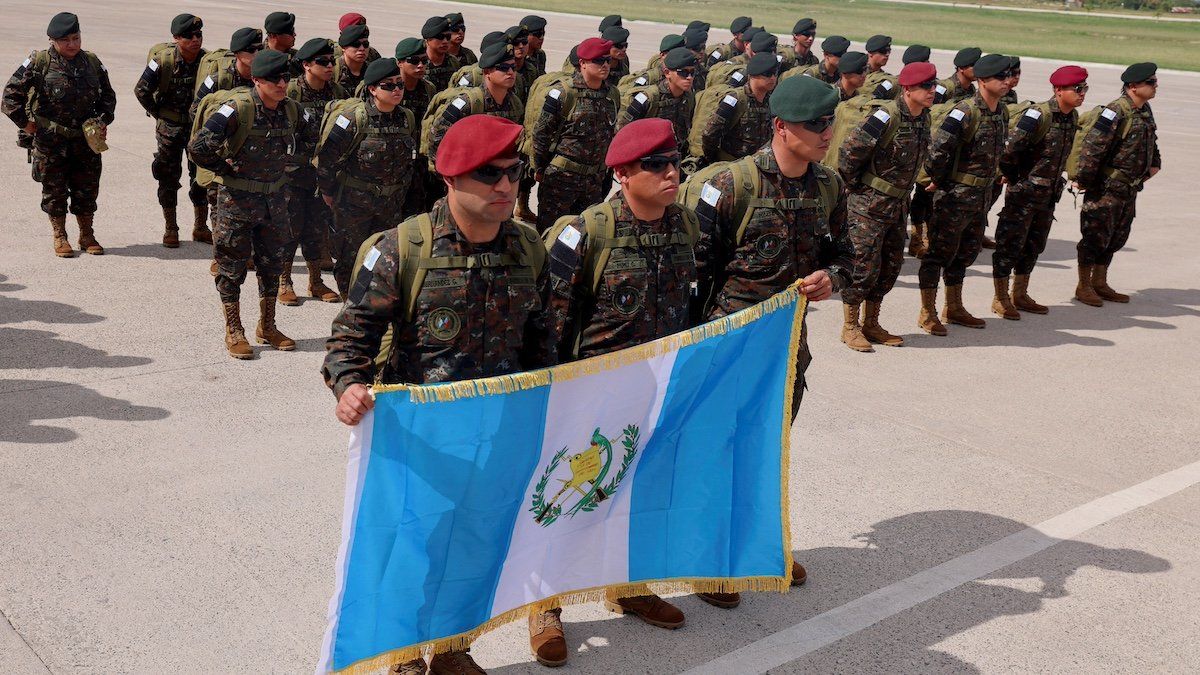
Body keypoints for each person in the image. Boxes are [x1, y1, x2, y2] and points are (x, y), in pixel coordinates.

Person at [323, 117, 552, 674]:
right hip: (419, 442)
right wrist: (349, 386)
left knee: (475, 542)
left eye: (513, 173)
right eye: (489, 175)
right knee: (411, 549)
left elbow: (544, 340)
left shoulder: (527, 248)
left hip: (495, 434)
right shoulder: (401, 249)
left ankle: (452, 647)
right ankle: (402, 655)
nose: (505, 186)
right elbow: (350, 338)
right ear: (450, 179)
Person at [536, 117, 695, 666]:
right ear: (624, 174)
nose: (670, 173)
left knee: (639, 491)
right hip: (588, 393)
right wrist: (551, 399)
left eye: (675, 162)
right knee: (568, 496)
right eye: (656, 165)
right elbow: (549, 324)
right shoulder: (584, 233)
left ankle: (628, 585)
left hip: (653, 390)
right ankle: (544, 604)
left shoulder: (686, 226)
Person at [691, 74, 850, 595]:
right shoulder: (730, 185)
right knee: (718, 451)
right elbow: (696, 271)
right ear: (781, 127)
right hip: (728, 344)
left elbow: (848, 256)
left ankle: (757, 546)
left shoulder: (828, 186)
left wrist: (834, 279)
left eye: (830, 122)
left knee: (767, 448)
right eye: (815, 124)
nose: (827, 132)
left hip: (786, 347)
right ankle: (709, 559)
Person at [188, 50, 315, 359]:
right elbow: (199, 147)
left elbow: (312, 138)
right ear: (257, 80)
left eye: (285, 78)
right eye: (274, 79)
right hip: (237, 203)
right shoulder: (237, 110)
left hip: (274, 201)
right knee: (231, 267)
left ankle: (267, 326)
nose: (282, 84)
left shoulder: (294, 111)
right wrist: (224, 167)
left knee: (272, 264)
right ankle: (234, 329)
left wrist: (291, 164)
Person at [836, 62, 935, 351]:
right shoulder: (884, 117)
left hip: (898, 203)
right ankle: (850, 326)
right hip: (869, 204)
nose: (932, 92)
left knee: (890, 265)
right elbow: (849, 154)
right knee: (862, 265)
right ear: (907, 90)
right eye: (925, 87)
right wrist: (857, 189)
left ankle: (872, 323)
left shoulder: (924, 118)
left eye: (932, 86)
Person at [3, 12, 116, 257]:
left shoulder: (93, 62)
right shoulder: (38, 62)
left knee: (87, 188)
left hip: (86, 141)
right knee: (54, 190)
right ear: (52, 40)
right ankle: (60, 235)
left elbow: (108, 98)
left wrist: (103, 120)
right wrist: (26, 125)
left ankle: (87, 234)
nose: (72, 44)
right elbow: (10, 97)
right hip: (50, 141)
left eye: (76, 38)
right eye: (66, 40)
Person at [917, 53, 1011, 335]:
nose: (1007, 82)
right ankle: (928, 311)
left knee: (965, 252)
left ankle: (953, 306)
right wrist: (938, 181)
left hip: (980, 196)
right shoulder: (964, 112)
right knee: (938, 254)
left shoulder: (1001, 112)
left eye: (1007, 76)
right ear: (982, 81)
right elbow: (938, 151)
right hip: (955, 196)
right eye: (1000, 77)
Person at [989, 65, 1086, 318]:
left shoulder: (1071, 117)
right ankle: (1000, 297)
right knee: (1009, 245)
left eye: (1084, 88)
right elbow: (1009, 151)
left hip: (1048, 195)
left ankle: (1020, 294)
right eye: (1077, 89)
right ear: (1058, 90)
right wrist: (1012, 178)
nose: (1082, 93)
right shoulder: (1037, 115)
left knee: (1033, 245)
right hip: (1024, 194)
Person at [315, 58, 417, 297]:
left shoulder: (406, 118)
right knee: (349, 259)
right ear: (372, 89)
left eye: (399, 84)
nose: (396, 90)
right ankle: (350, 308)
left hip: (389, 206)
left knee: (383, 259)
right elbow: (327, 160)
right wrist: (328, 193)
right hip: (353, 206)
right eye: (388, 86)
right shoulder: (353, 119)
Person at [1072, 62, 1160, 307]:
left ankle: (1100, 282)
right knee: (1094, 237)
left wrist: (1155, 163)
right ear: (1133, 86)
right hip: (1106, 187)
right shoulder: (1115, 111)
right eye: (1150, 82)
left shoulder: (1144, 110)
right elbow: (1093, 148)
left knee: (1116, 237)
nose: (1155, 86)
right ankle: (1084, 285)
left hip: (1128, 188)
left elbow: (1152, 138)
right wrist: (1086, 180)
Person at [134, 13, 209, 247]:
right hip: (170, 127)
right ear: (177, 38)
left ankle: (200, 226)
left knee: (201, 177)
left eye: (198, 35)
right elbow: (141, 90)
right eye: (189, 36)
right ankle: (171, 228)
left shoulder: (207, 62)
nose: (195, 40)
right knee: (168, 176)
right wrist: (159, 113)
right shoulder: (163, 61)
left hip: (197, 128)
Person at [530, 37, 620, 232]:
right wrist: (538, 167)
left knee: (583, 235)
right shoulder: (563, 93)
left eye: (607, 60)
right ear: (583, 63)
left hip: (594, 181)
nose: (605, 65)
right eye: (598, 61)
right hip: (561, 179)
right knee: (550, 232)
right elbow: (542, 133)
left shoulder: (612, 95)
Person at [279, 38, 344, 306]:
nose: (330, 66)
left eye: (332, 61)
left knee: (316, 228)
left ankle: (316, 280)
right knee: (289, 227)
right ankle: (284, 280)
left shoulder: (338, 92)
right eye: (323, 62)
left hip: (323, 173)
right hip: (292, 173)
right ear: (306, 65)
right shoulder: (290, 92)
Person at [427, 43, 524, 164]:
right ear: (487, 72)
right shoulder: (467, 102)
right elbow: (437, 136)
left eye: (513, 67)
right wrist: (446, 173)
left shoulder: (515, 103)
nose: (510, 72)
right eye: (503, 68)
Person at [690, 52, 779, 169]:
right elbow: (710, 134)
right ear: (752, 74)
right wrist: (713, 160)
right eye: (767, 74)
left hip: (756, 166)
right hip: (730, 166)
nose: (772, 78)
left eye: (775, 73)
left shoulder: (771, 101)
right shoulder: (735, 99)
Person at [616, 48, 697, 163]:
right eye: (683, 72)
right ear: (667, 73)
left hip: (675, 159)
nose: (689, 77)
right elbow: (622, 130)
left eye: (692, 72)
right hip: (648, 162)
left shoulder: (689, 97)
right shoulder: (648, 97)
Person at [395, 38, 438, 216]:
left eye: (424, 61)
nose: (420, 66)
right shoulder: (390, 88)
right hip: (395, 161)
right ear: (399, 63)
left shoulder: (429, 89)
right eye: (414, 61)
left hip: (420, 161)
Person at [421, 17, 458, 92]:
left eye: (448, 37)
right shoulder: (419, 64)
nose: (445, 41)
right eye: (440, 37)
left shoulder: (453, 62)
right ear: (428, 40)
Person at [334, 24, 370, 91]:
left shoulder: (372, 71)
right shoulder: (332, 71)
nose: (362, 48)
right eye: (355, 44)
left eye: (365, 44)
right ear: (343, 47)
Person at [861, 35, 896, 100]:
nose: (887, 54)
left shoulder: (884, 76)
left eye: (889, 51)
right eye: (883, 51)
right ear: (870, 53)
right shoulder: (858, 72)